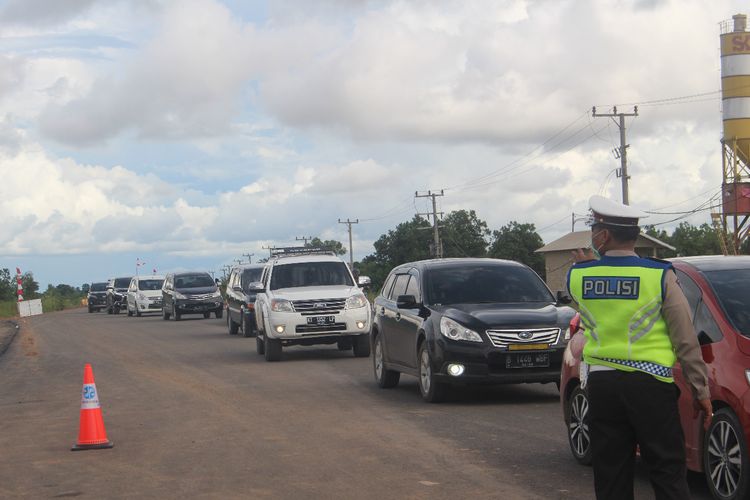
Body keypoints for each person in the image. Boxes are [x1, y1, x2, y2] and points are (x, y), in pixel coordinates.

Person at [566, 195, 712, 500]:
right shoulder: (659, 275)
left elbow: (593, 300)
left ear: (604, 235)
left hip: (603, 387)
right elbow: (684, 338)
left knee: (611, 475)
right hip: (651, 388)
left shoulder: (578, 275)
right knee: (667, 472)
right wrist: (700, 390)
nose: (592, 235)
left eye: (594, 228)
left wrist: (589, 266)